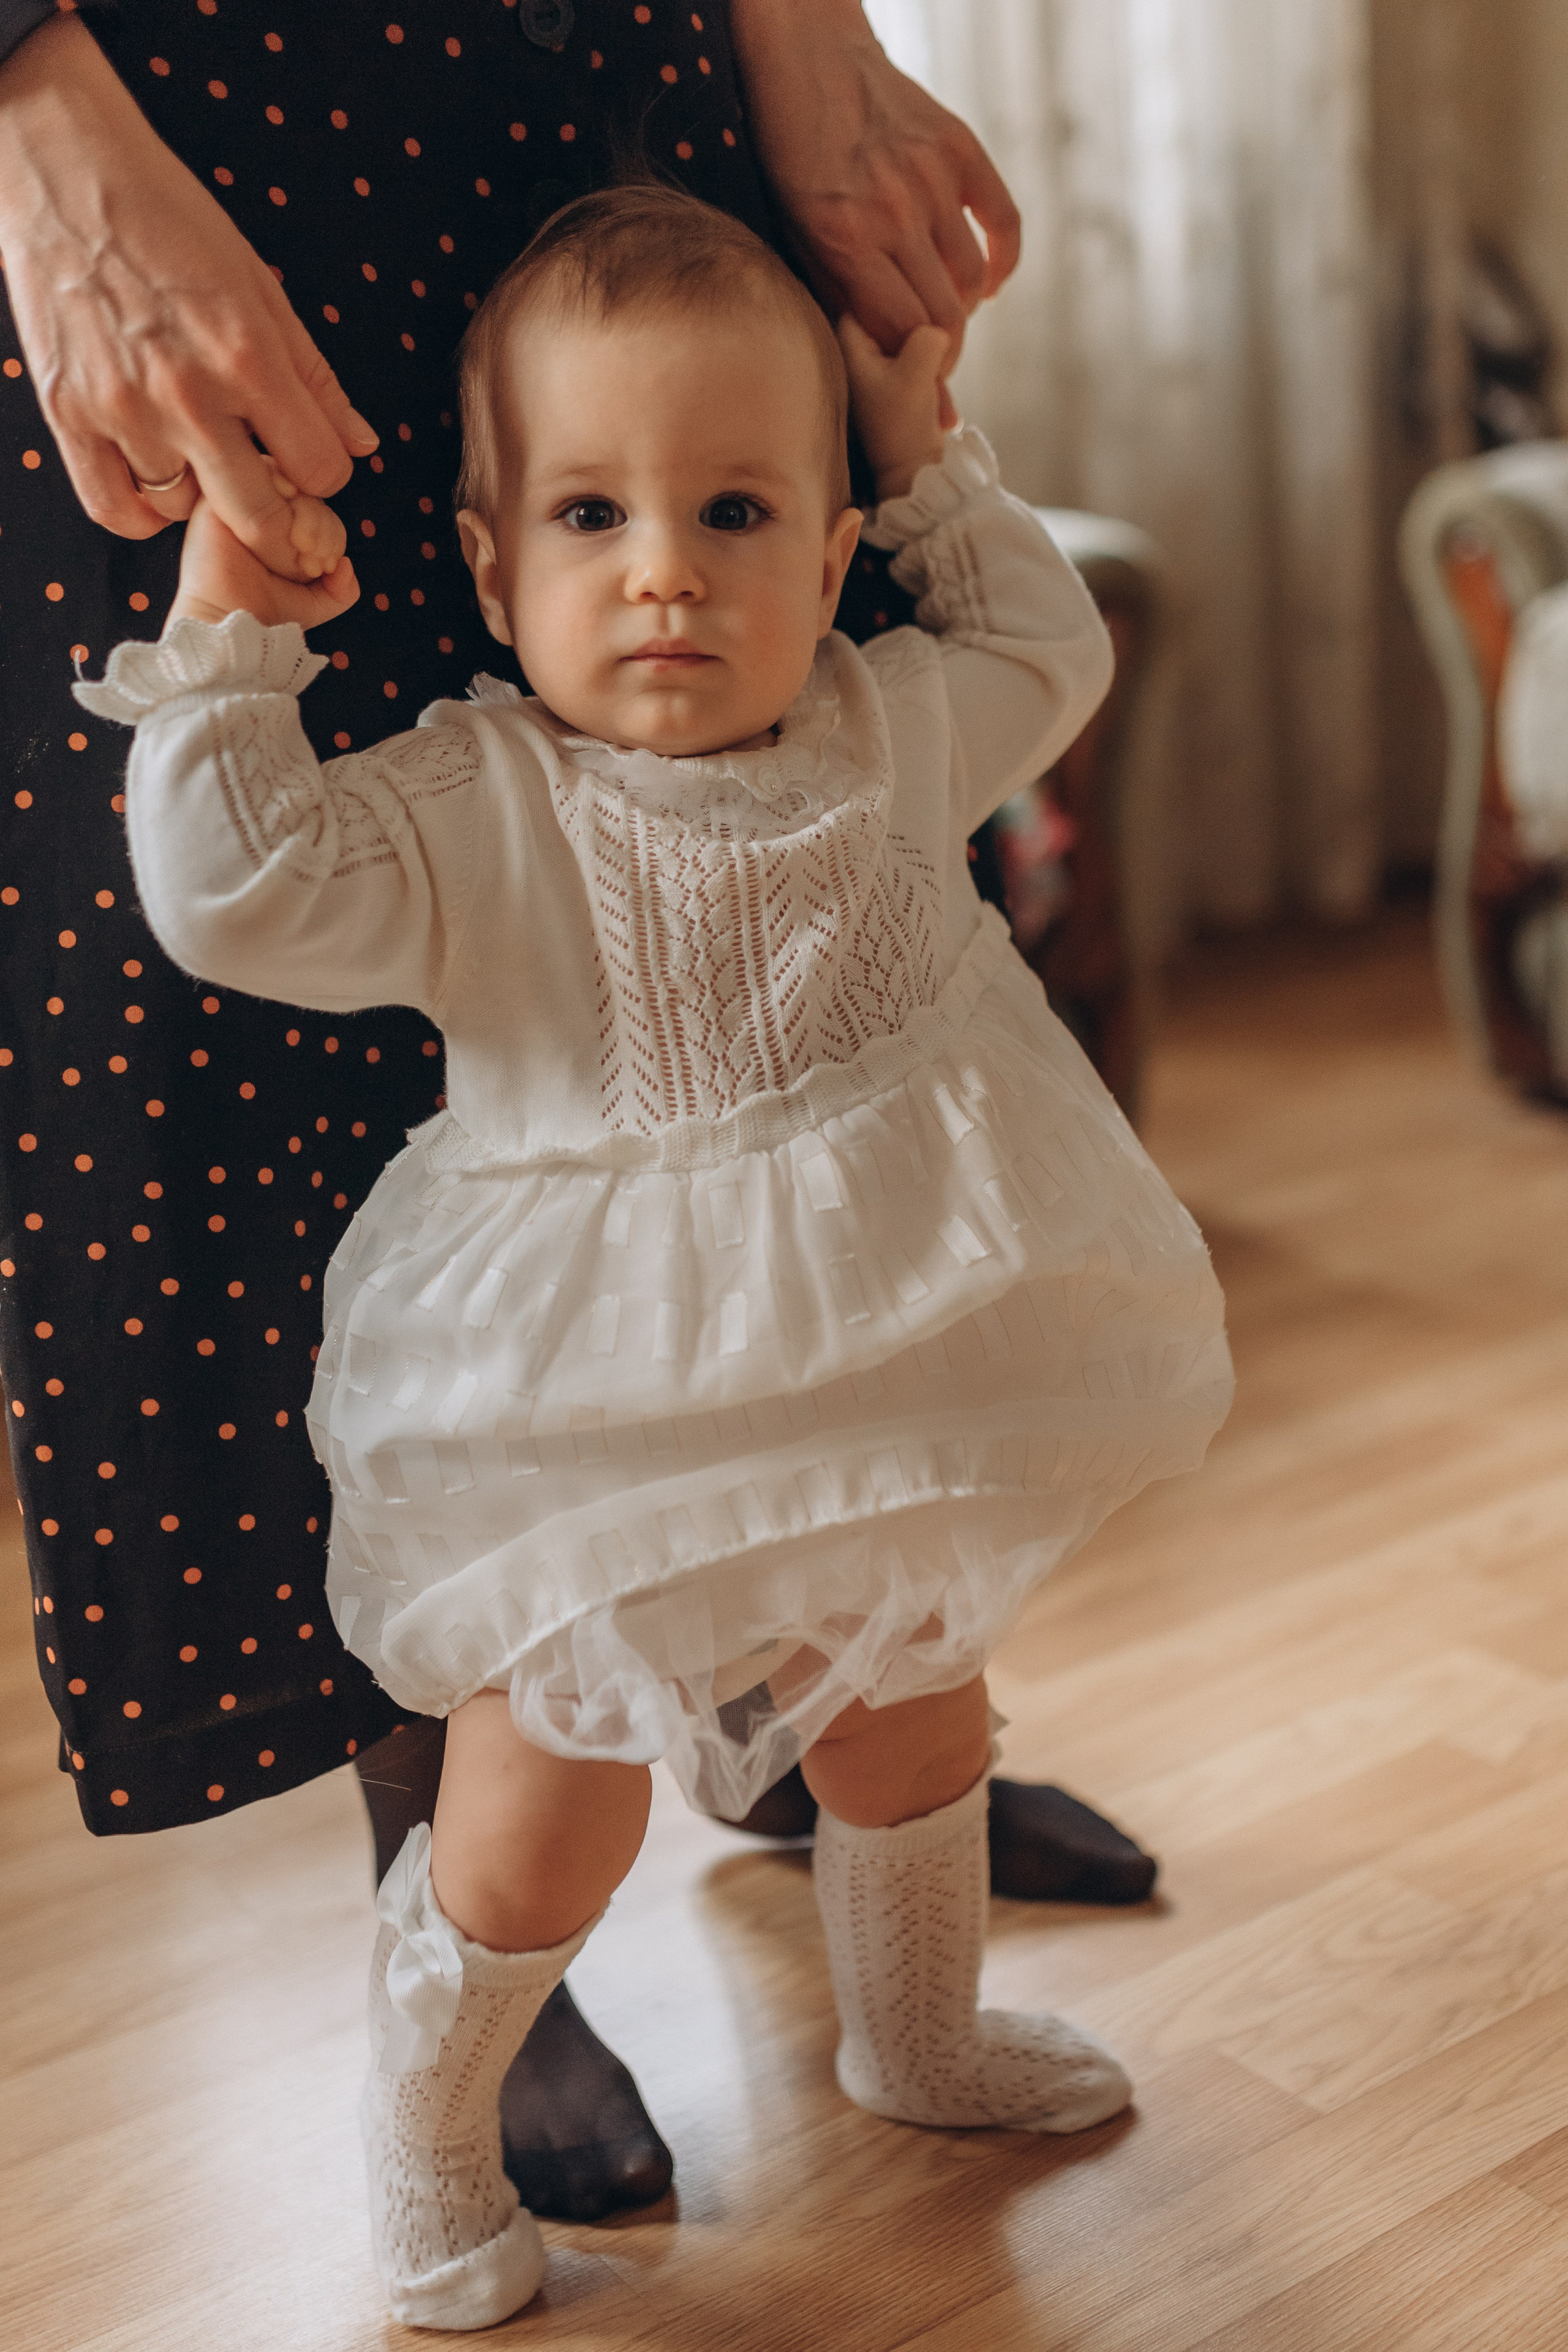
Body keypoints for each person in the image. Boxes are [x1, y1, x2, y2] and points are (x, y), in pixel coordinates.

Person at [0, 0, 1153, 2228]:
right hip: (581, 1452)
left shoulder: (881, 718)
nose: (664, 574)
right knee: (545, 1814)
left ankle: (915, 2021)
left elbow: (1049, 651)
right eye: (594, 522)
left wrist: (926, 453)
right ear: (484, 562)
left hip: (864, 1391)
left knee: (917, 1699)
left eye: (737, 516)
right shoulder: (473, 803)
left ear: (832, 551)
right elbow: (229, 894)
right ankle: (430, 2133)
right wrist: (231, 636)